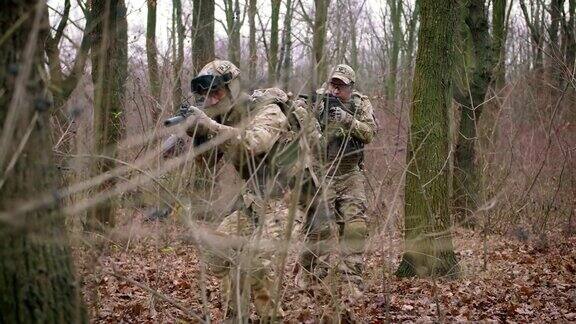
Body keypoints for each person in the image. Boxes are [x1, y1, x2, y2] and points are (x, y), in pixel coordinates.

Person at [184, 60, 303, 320]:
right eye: (206, 96)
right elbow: (207, 164)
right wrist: (198, 135)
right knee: (218, 254)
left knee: (255, 264)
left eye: (217, 92)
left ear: (232, 89)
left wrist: (210, 125)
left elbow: (252, 143)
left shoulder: (267, 109)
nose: (212, 100)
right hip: (255, 200)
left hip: (290, 198)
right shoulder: (225, 119)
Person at [299, 64, 377, 297]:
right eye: (333, 84)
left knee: (355, 226)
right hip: (322, 171)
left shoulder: (360, 104)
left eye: (341, 86)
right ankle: (311, 276)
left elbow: (370, 133)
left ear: (350, 87)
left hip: (351, 172)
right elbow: (298, 119)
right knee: (318, 228)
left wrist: (347, 119)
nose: (335, 90)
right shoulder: (318, 99)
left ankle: (352, 279)